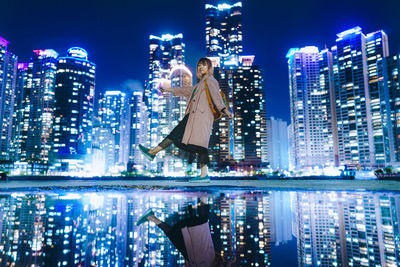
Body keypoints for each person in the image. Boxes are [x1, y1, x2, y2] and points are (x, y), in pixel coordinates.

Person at [139, 57, 232, 182]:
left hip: (201, 117)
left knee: (187, 139)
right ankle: (153, 152)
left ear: (209, 67)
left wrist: (224, 109)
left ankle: (153, 152)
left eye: (204, 65)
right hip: (193, 116)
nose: (200, 67)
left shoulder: (210, 80)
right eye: (199, 65)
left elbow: (216, 96)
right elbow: (187, 90)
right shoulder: (201, 83)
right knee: (186, 139)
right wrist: (169, 89)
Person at [136, 200, 235, 267]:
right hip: (194, 248)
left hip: (196, 238)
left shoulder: (212, 257)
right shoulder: (206, 260)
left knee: (201, 221)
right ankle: (151, 217)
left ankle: (203, 194)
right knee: (173, 235)